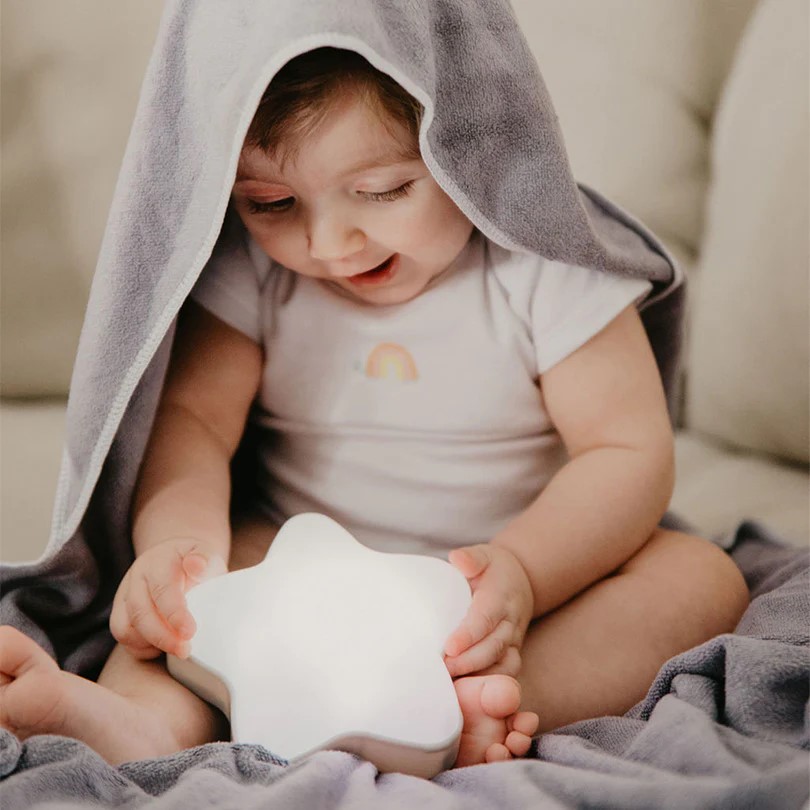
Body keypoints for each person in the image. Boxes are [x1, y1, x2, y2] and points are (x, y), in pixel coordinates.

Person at [0, 46, 749, 770]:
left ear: (477, 148)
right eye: (271, 202)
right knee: (181, 606)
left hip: (500, 579)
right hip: (294, 564)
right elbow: (193, 424)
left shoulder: (549, 267)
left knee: (697, 580)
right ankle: (144, 726)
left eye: (384, 190)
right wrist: (180, 548)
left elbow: (625, 452)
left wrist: (523, 572)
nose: (329, 243)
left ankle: (469, 702)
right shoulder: (251, 271)